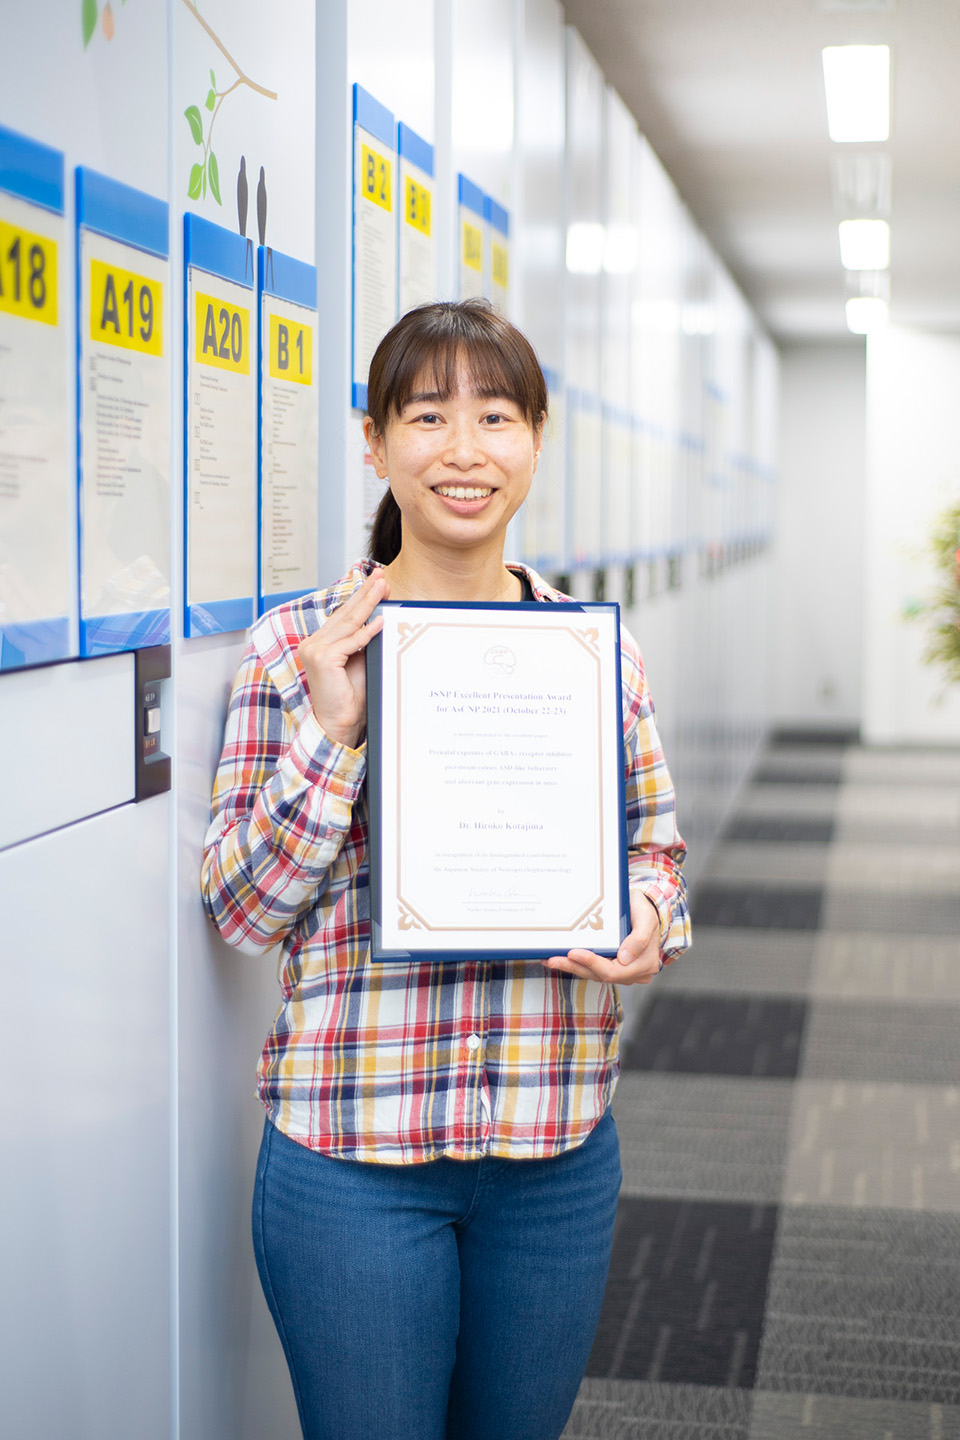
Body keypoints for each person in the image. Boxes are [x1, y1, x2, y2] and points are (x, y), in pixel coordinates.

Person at [201, 299, 691, 1440]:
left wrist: (652, 920)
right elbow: (241, 909)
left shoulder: (593, 650)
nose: (464, 451)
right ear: (374, 442)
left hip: (553, 1149)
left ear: (535, 438)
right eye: (427, 416)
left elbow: (658, 849)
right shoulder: (299, 649)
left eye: (496, 416)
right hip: (355, 1155)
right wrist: (334, 734)